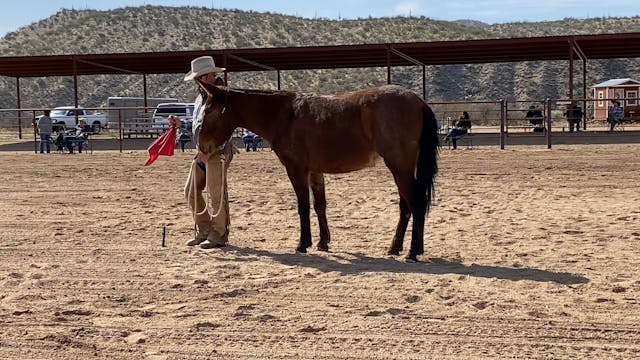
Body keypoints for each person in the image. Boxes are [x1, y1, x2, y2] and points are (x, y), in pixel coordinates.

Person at [182, 56, 235, 249]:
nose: (201, 81)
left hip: (217, 151)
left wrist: (209, 150)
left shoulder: (221, 97)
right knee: (190, 190)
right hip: (202, 151)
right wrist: (182, 125)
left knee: (216, 193)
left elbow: (224, 130)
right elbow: (199, 126)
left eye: (204, 76)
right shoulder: (200, 98)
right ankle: (204, 228)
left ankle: (219, 233)